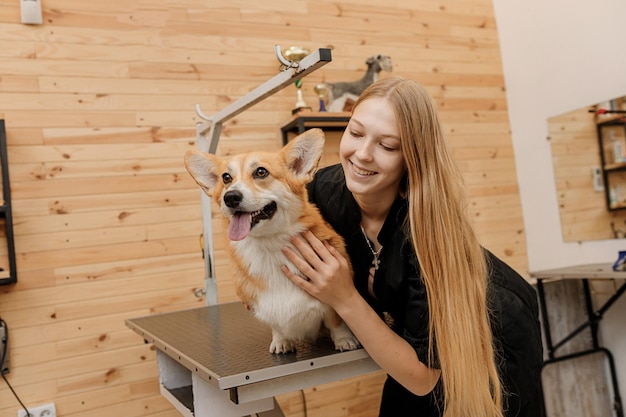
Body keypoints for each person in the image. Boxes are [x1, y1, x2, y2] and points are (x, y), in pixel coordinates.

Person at [280, 76, 544, 417]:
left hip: (492, 336)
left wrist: (343, 298)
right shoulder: (323, 193)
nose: (361, 155)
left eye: (387, 146)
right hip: (418, 338)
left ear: (412, 157)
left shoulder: (427, 235)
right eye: (355, 133)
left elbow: (422, 379)